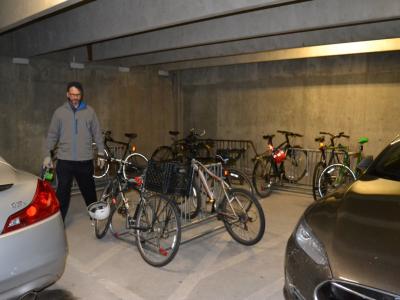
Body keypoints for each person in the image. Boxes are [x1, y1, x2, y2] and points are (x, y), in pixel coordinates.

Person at [43, 82, 105, 221]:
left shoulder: (90, 112)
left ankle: (94, 216)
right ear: (67, 94)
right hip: (65, 161)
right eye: (72, 94)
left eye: (77, 95)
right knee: (62, 192)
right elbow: (52, 135)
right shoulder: (59, 112)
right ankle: (59, 220)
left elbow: (97, 133)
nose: (75, 97)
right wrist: (47, 154)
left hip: (84, 160)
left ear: (81, 94)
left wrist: (101, 152)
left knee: (89, 190)